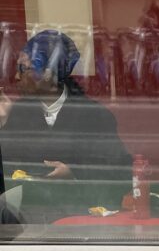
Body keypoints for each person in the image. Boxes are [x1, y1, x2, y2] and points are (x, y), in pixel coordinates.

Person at [0, 29, 132, 180]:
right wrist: (3, 123)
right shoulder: (20, 112)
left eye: (24, 69)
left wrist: (74, 175)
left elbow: (120, 172)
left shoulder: (95, 116)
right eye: (17, 68)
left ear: (48, 73)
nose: (17, 76)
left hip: (80, 202)